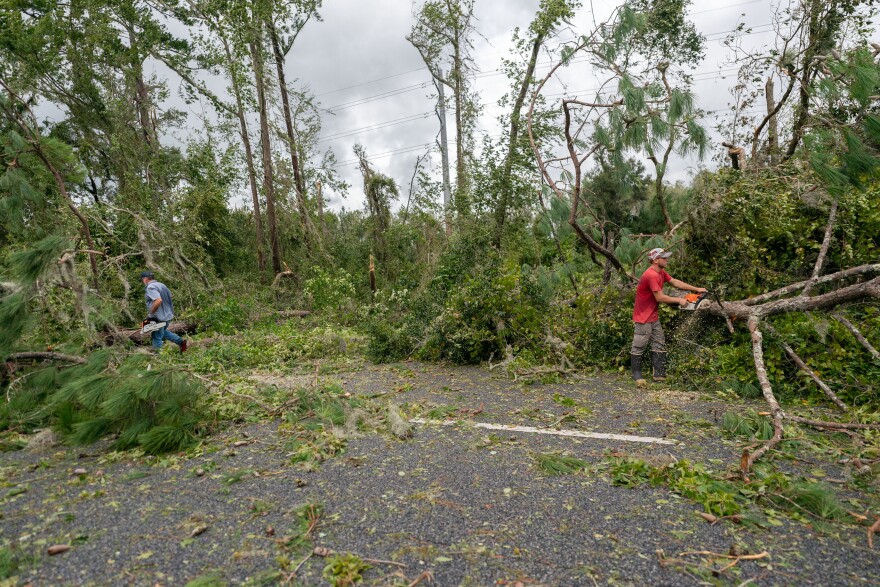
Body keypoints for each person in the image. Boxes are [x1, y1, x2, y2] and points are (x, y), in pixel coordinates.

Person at [631, 248, 705, 386]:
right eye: (664, 258)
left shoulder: (661, 272)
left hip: (653, 315)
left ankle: (659, 375)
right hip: (643, 316)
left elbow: (675, 282)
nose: (666, 260)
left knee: (659, 342)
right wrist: (679, 300)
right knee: (639, 345)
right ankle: (636, 374)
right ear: (655, 260)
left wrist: (696, 289)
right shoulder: (651, 275)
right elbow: (659, 298)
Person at [141, 271, 188, 353]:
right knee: (163, 332)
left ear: (145, 279)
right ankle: (181, 343)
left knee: (156, 336)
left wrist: (151, 314)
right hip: (168, 315)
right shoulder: (161, 285)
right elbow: (170, 295)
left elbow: (158, 300)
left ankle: (159, 358)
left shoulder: (150, 287)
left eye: (142, 279)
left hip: (159, 316)